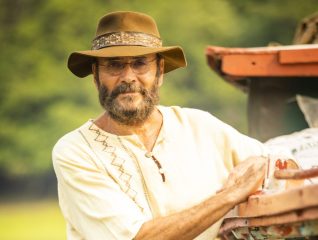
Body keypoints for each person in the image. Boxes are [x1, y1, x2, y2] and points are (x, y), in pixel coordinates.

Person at [52, 11, 268, 240]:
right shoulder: (76, 151)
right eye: (114, 65)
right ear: (96, 75)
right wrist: (230, 196)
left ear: (160, 71)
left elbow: (274, 166)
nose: (128, 77)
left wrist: (261, 163)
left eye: (139, 63)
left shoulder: (200, 126)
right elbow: (138, 238)